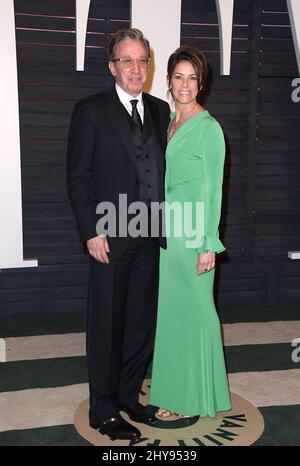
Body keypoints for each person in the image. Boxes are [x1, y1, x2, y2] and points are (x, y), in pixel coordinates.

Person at [67, 28, 170, 440]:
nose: (135, 68)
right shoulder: (90, 110)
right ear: (112, 66)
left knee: (140, 323)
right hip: (109, 235)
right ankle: (103, 410)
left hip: (150, 236)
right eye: (127, 60)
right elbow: (78, 177)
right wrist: (92, 230)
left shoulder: (162, 111)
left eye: (142, 60)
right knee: (107, 325)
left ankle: (128, 396)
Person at [149, 46, 232, 418]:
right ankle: (174, 386)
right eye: (178, 76)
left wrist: (207, 244)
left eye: (192, 77)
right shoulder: (167, 121)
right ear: (169, 80)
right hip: (168, 231)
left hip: (194, 234)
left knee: (197, 311)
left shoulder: (209, 128)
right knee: (172, 312)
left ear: (202, 83)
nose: (185, 84)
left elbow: (214, 190)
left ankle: (194, 396)